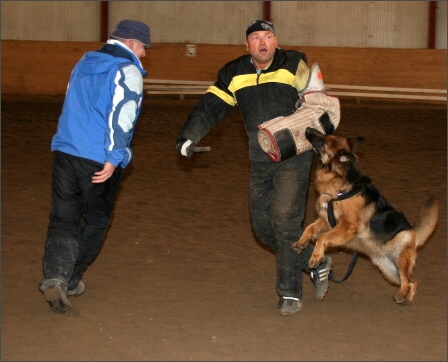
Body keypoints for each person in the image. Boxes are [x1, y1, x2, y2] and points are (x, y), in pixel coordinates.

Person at [175, 20, 334, 316]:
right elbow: (211, 105)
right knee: (262, 228)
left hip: (294, 156)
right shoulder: (234, 73)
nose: (263, 43)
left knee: (285, 222)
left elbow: (319, 103)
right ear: (247, 45)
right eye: (256, 38)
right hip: (259, 158)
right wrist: (189, 135)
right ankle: (315, 259)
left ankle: (290, 293)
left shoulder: (294, 64)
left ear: (276, 41)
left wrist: (320, 138)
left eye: (268, 37)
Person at [39, 19, 151, 314]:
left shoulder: (85, 61)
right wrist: (114, 158)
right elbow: (122, 116)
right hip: (96, 157)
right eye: (142, 47)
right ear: (130, 43)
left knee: (63, 218)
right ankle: (71, 280)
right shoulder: (126, 70)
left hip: (65, 151)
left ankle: (55, 275)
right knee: (96, 220)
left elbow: (69, 101)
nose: (144, 54)